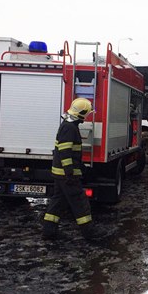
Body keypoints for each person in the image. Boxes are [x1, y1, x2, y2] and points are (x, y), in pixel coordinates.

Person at [43, 97, 104, 241]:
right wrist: (70, 172)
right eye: (87, 114)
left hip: (61, 173)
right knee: (80, 202)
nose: (87, 116)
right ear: (81, 114)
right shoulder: (69, 127)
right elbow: (65, 151)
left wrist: (81, 168)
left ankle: (49, 231)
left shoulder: (68, 126)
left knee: (57, 202)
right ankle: (89, 233)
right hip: (66, 175)